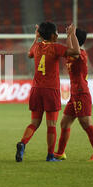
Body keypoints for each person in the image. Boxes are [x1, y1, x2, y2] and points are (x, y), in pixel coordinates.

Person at [15, 22, 80, 162]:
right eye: (56, 33)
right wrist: (71, 35)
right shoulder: (56, 48)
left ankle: (23, 143)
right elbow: (76, 52)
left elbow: (29, 54)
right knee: (51, 125)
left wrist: (36, 37)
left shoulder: (37, 46)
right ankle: (50, 155)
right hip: (51, 91)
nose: (57, 35)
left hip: (36, 90)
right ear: (52, 35)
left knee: (34, 123)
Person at [54, 28, 93, 161]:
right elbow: (70, 48)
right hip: (74, 94)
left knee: (86, 123)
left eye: (72, 38)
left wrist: (72, 35)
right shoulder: (72, 53)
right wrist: (69, 35)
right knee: (65, 123)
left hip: (81, 93)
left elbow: (75, 51)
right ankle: (60, 153)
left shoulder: (80, 54)